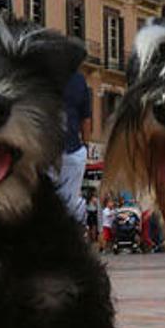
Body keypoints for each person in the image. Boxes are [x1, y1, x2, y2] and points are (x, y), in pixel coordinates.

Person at [50, 71, 92, 223]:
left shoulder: (43, 72)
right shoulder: (79, 79)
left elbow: (86, 117)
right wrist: (85, 145)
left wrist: (85, 147)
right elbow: (86, 117)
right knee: (67, 202)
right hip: (67, 148)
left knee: (52, 200)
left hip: (57, 149)